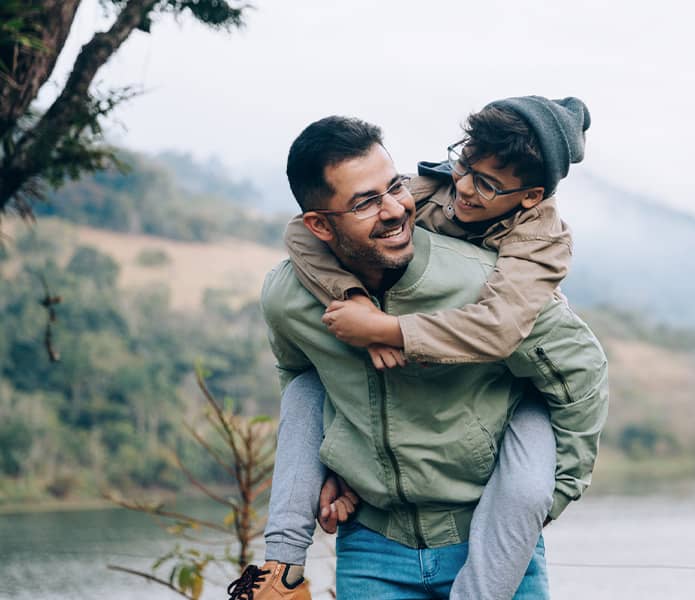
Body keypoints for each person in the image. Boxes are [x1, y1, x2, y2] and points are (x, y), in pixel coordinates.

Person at [229, 112, 607, 599]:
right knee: (305, 388)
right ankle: (281, 573)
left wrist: (542, 503)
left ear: (530, 195)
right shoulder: (290, 295)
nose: (393, 209)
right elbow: (302, 372)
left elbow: (577, 369)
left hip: (486, 540)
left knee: (526, 475)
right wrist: (331, 463)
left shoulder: (496, 276)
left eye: (393, 188)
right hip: (372, 544)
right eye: (366, 201)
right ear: (320, 224)